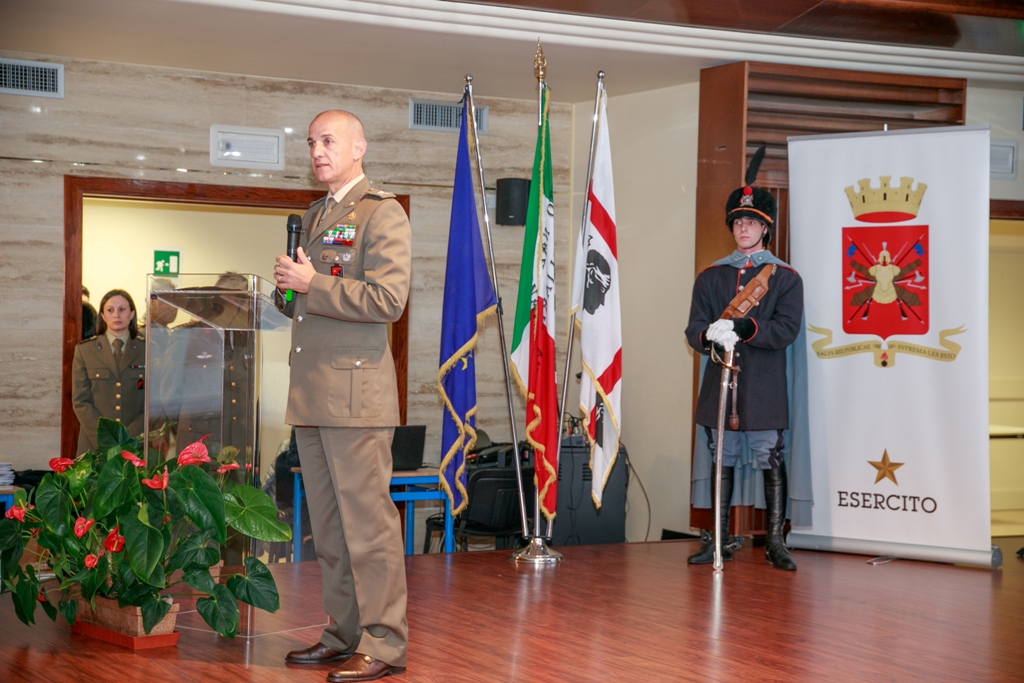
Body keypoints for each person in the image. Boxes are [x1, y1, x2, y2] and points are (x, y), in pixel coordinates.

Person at [274, 109, 411, 682]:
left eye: (329, 140)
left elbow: (388, 300)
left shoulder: (383, 212)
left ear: (359, 147)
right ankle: (343, 633)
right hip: (313, 396)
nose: (317, 151)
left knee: (367, 529)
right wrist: (289, 290)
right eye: (311, 142)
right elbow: (309, 305)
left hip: (356, 397)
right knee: (328, 530)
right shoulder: (315, 215)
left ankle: (384, 644)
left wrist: (315, 284)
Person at [685, 150, 803, 571]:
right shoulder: (712, 275)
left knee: (771, 459)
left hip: (763, 387)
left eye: (751, 221)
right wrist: (709, 337)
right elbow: (693, 330)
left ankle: (774, 542)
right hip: (720, 387)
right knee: (722, 460)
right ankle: (718, 539)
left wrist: (745, 329)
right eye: (738, 222)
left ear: (765, 228)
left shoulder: (785, 278)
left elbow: (786, 330)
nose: (743, 228)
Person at [72, 289, 146, 453]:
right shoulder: (85, 350)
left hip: (134, 444)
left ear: (132, 314)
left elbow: (152, 403)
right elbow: (80, 401)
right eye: (110, 310)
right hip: (94, 445)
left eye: (122, 309)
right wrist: (105, 439)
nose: (116, 315)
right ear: (103, 316)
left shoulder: (147, 350)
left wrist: (127, 438)